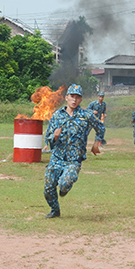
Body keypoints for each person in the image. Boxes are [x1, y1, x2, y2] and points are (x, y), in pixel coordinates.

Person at [43, 84, 105, 219]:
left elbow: (100, 127)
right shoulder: (57, 115)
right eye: (72, 96)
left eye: (77, 97)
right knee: (48, 189)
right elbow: (48, 137)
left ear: (81, 100)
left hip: (74, 160)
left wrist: (96, 143)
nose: (74, 100)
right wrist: (54, 136)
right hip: (57, 158)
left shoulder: (86, 115)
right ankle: (55, 210)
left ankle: (65, 188)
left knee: (64, 184)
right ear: (66, 97)